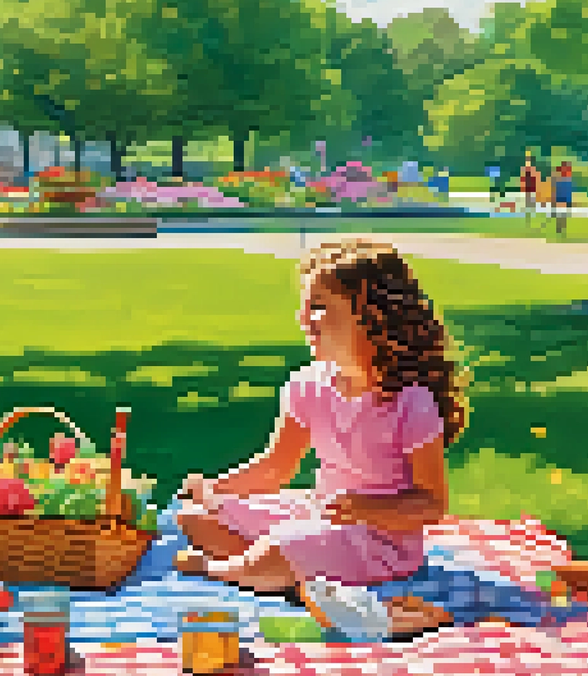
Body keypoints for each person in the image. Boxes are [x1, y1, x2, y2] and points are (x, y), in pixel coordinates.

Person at [173, 239, 465, 638]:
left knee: (277, 549)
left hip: (381, 543)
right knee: (195, 519)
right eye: (306, 307)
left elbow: (431, 505)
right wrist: (211, 489)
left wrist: (365, 508)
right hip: (321, 516)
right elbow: (275, 467)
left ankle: (230, 569)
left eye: (320, 307)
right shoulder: (306, 385)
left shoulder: (410, 402)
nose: (304, 318)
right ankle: (296, 581)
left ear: (372, 317)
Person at [554, 162, 575, 235]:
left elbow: (568, 191)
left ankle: (561, 227)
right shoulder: (560, 180)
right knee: (560, 214)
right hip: (560, 198)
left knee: (563, 214)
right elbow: (558, 191)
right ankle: (559, 228)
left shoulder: (567, 180)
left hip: (563, 198)